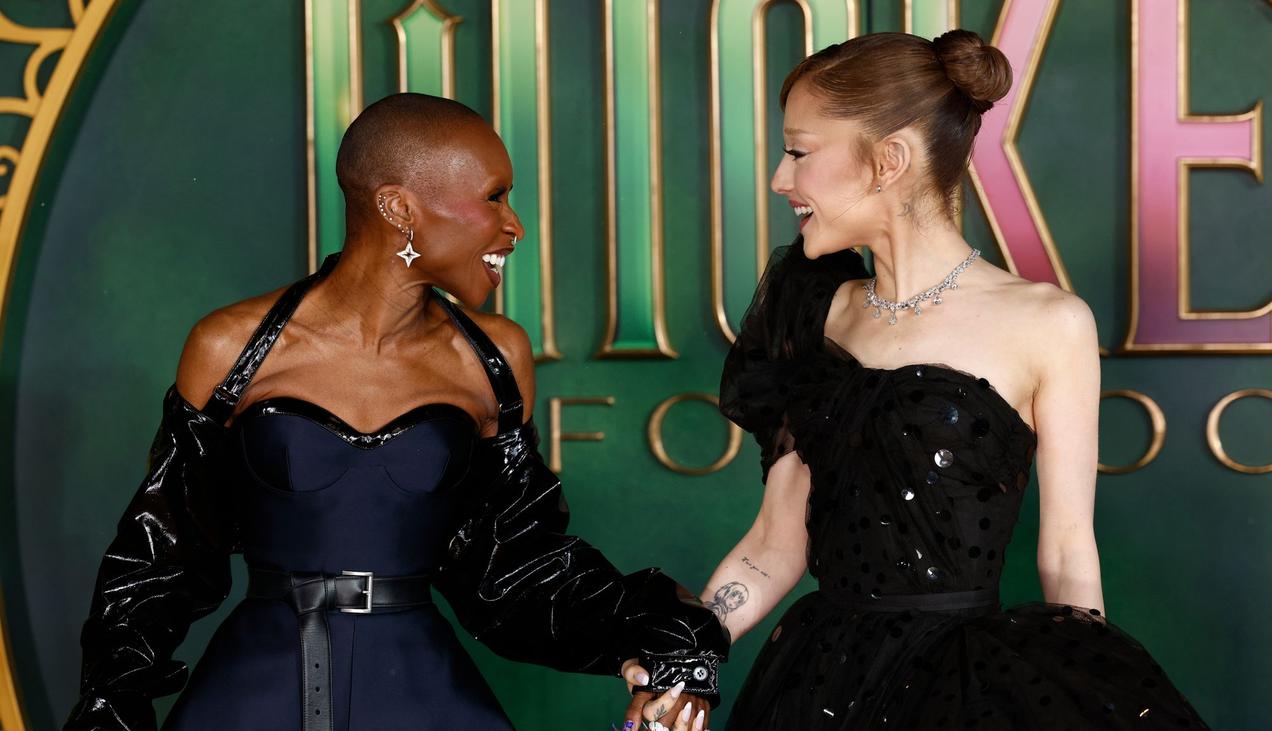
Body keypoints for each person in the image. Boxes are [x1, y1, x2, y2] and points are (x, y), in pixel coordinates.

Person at [65, 93, 725, 731]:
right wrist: (109, 706)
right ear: (399, 208)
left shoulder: (493, 358)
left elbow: (516, 563)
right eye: (494, 197)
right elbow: (162, 556)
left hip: (420, 691)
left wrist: (656, 636)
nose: (514, 226)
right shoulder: (231, 347)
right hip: (256, 691)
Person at [624, 30, 1208, 730]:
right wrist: (688, 661)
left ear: (889, 160)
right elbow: (773, 545)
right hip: (817, 682)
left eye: (799, 152)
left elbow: (1065, 551)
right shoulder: (810, 310)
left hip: (963, 693)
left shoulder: (1050, 323)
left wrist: (1086, 705)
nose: (781, 179)